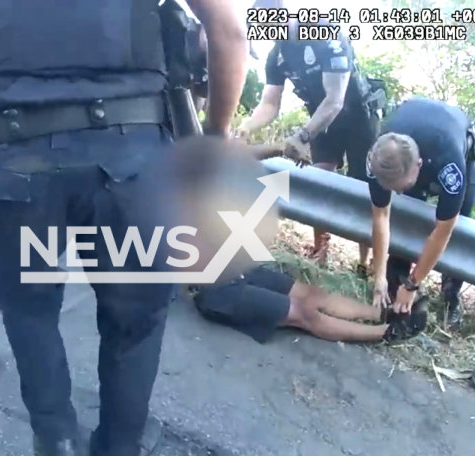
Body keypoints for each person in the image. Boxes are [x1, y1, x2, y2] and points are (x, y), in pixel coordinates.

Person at [0, 1, 247, 456]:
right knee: (135, 320)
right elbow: (228, 29)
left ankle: (58, 441)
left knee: (30, 310)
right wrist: (216, 136)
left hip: (14, 160)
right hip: (130, 157)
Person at [236, 11, 382, 274]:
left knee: (365, 188)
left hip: (357, 117)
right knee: (319, 180)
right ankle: (320, 247)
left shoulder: (326, 32)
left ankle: (365, 260)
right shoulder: (276, 56)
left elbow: (335, 100)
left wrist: (302, 135)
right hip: (321, 120)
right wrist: (246, 126)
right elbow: (269, 103)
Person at [367, 97, 475, 329]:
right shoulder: (377, 158)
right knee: (407, 210)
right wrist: (378, 277)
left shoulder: (450, 166)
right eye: (391, 188)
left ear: (418, 165)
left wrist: (414, 284)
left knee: (462, 217)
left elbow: (442, 231)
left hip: (459, 144)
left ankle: (450, 291)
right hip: (414, 129)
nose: (395, 191)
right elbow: (381, 216)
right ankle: (395, 276)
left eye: (400, 187)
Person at [193, 264, 428, 345]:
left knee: (314, 294)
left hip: (234, 266)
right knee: (303, 312)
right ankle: (387, 333)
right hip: (216, 289)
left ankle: (384, 314)